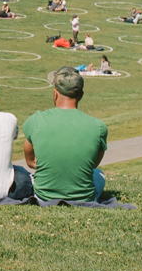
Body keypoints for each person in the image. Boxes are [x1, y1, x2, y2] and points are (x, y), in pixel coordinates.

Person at [22, 67, 109, 202]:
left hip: (44, 196)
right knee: (99, 175)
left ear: (55, 93)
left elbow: (30, 162)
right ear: (81, 95)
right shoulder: (98, 127)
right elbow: (92, 165)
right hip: (83, 198)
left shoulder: (35, 121)